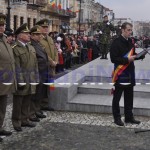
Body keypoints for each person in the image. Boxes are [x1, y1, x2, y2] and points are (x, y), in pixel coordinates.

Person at [110, 22, 144, 126]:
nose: (130, 32)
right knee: (117, 98)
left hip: (130, 73)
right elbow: (113, 59)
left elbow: (132, 55)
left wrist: (140, 56)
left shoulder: (130, 41)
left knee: (129, 97)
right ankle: (117, 118)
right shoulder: (116, 42)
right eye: (128, 30)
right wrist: (127, 59)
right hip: (120, 74)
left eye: (131, 30)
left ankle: (129, 117)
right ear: (123, 30)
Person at [12, 23, 39, 132]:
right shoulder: (15, 48)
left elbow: (35, 64)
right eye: (26, 33)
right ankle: (16, 122)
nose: (29, 35)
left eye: (29, 33)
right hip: (21, 80)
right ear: (19, 35)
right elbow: (16, 67)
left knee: (27, 101)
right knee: (18, 103)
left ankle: (25, 119)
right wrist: (20, 81)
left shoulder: (31, 47)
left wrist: (36, 77)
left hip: (31, 79)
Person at [0, 13, 16, 142]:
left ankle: (0, 128)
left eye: (3, 25)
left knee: (2, 106)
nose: (1, 27)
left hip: (5, 81)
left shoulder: (4, 39)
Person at [36, 19, 58, 111]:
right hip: (45, 66)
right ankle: (39, 105)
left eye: (47, 27)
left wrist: (56, 61)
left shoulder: (49, 38)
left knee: (50, 85)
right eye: (43, 27)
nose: (46, 29)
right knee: (42, 86)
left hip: (52, 68)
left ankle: (46, 103)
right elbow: (43, 53)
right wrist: (51, 62)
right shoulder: (39, 39)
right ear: (39, 28)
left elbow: (55, 50)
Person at [30, 25, 48, 121]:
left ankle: (37, 110)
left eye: (39, 34)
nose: (39, 36)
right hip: (37, 72)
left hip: (43, 72)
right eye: (36, 34)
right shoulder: (31, 45)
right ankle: (33, 111)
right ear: (32, 35)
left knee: (40, 93)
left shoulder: (38, 44)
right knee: (35, 94)